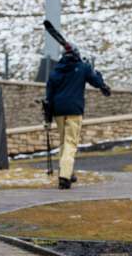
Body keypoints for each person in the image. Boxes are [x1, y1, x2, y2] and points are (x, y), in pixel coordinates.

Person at [45, 45, 111, 190]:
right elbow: (96, 81)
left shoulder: (56, 71)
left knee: (64, 142)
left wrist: (48, 115)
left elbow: (49, 94)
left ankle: (67, 171)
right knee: (70, 143)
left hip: (58, 111)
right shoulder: (82, 67)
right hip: (74, 110)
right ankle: (64, 177)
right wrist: (96, 73)